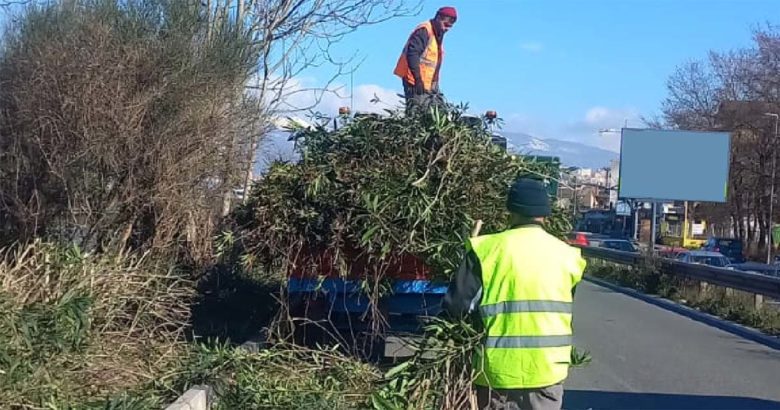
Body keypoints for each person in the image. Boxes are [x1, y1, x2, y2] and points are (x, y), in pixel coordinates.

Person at [442, 177, 587, 410]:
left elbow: (456, 308)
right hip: (547, 374)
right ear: (545, 213)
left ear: (510, 210)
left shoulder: (485, 250)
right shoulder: (568, 256)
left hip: (496, 375)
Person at [393, 6, 457, 109]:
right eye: (445, 25)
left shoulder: (437, 33)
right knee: (417, 113)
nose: (447, 29)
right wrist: (418, 80)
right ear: (438, 17)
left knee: (439, 111)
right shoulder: (424, 30)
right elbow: (412, 54)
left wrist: (434, 84)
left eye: (450, 27)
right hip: (415, 80)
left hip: (430, 83)